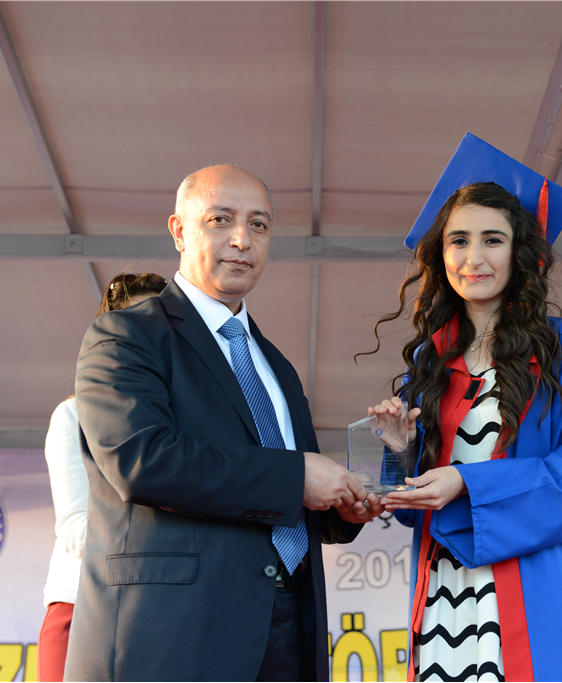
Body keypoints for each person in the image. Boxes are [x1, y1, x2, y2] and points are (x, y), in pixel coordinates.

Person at [63, 165, 381, 682]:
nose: (241, 240)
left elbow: (293, 500)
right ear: (179, 230)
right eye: (220, 219)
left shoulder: (275, 366)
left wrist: (345, 506)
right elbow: (142, 460)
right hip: (172, 637)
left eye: (259, 225)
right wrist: (298, 477)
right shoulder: (126, 335)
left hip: (288, 631)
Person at [365, 134, 562, 681]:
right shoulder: (429, 362)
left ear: (519, 252)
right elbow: (409, 507)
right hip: (445, 590)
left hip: (535, 588)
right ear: (441, 254)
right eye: (458, 240)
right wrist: (400, 452)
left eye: (492, 240)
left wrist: (465, 481)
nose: (473, 258)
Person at [38, 272, 168, 682]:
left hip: (163, 612)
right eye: (134, 321)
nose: (148, 333)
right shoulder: (73, 415)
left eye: (160, 321)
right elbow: (76, 528)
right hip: (83, 605)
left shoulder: (184, 424)